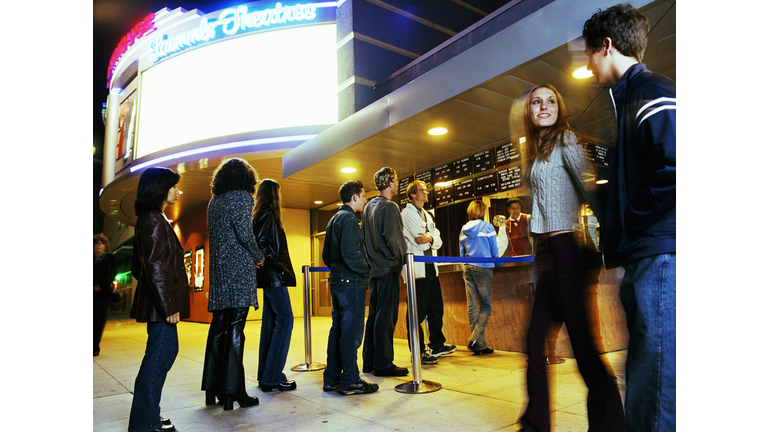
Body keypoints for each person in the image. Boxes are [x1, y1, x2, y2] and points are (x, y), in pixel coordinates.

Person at [583, 5, 676, 430]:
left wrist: (634, 220)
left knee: (654, 378)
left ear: (607, 46)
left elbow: (678, 165)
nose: (587, 63)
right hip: (650, 252)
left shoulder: (649, 91)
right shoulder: (630, 98)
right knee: (647, 368)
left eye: (589, 53)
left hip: (659, 253)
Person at [517, 83, 625, 431]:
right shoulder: (534, 154)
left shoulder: (565, 140)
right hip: (549, 255)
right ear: (529, 112)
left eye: (550, 101)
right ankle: (535, 424)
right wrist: (536, 270)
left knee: (582, 346)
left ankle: (611, 425)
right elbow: (539, 220)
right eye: (536, 102)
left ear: (558, 109)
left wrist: (614, 239)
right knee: (534, 342)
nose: (543, 107)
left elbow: (589, 189)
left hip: (568, 253)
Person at [128, 167, 191, 432]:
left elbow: (137, 267)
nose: (178, 190)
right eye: (173, 186)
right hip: (161, 307)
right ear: (160, 189)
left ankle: (149, 415)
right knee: (158, 359)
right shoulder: (153, 219)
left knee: (163, 355)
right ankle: (145, 424)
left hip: (160, 304)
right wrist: (167, 305)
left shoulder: (153, 218)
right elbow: (154, 265)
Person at [202, 158, 265, 411]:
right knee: (237, 327)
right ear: (246, 178)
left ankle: (213, 389)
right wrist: (258, 256)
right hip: (238, 270)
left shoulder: (214, 201)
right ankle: (234, 391)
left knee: (218, 327)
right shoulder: (241, 197)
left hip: (219, 272)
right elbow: (244, 231)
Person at [322, 180, 379, 395]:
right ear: (354, 197)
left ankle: (331, 378)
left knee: (337, 330)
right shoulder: (348, 219)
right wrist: (367, 271)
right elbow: (351, 253)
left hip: (337, 282)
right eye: (363, 196)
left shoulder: (334, 219)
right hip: (351, 284)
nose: (365, 200)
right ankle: (350, 380)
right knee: (351, 334)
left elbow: (327, 255)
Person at [401, 180, 456, 365]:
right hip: (417, 269)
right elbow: (419, 239)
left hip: (431, 267)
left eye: (426, 190)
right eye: (422, 191)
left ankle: (437, 345)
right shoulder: (407, 214)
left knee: (436, 308)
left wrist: (431, 237)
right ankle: (418, 351)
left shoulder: (427, 214)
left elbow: (437, 240)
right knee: (417, 312)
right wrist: (432, 238)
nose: (426, 193)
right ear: (412, 195)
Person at [361, 167, 409, 377]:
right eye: (396, 181)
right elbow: (394, 239)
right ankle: (383, 364)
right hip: (388, 268)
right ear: (390, 183)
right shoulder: (390, 207)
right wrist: (402, 257)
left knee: (373, 315)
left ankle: (369, 361)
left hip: (373, 269)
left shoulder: (368, 206)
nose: (397, 184)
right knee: (387, 318)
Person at [252, 179, 298, 392]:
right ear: (273, 194)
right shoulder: (268, 214)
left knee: (270, 325)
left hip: (268, 278)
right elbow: (262, 247)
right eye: (279, 192)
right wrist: (280, 268)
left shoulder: (261, 214)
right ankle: (273, 376)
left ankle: (266, 376)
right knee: (286, 320)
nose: (281, 196)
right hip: (273, 278)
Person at [459, 199, 499, 356]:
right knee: (486, 305)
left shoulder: (463, 229)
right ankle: (475, 338)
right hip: (483, 268)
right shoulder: (488, 227)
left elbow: (461, 252)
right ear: (483, 211)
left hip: (467, 267)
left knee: (472, 305)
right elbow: (494, 250)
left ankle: (479, 346)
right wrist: (499, 263)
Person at [93, 233, 117, 356]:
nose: (99, 246)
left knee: (98, 320)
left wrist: (101, 285)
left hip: (103, 294)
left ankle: (94, 347)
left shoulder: (109, 257)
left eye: (101, 243)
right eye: (97, 243)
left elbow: (113, 273)